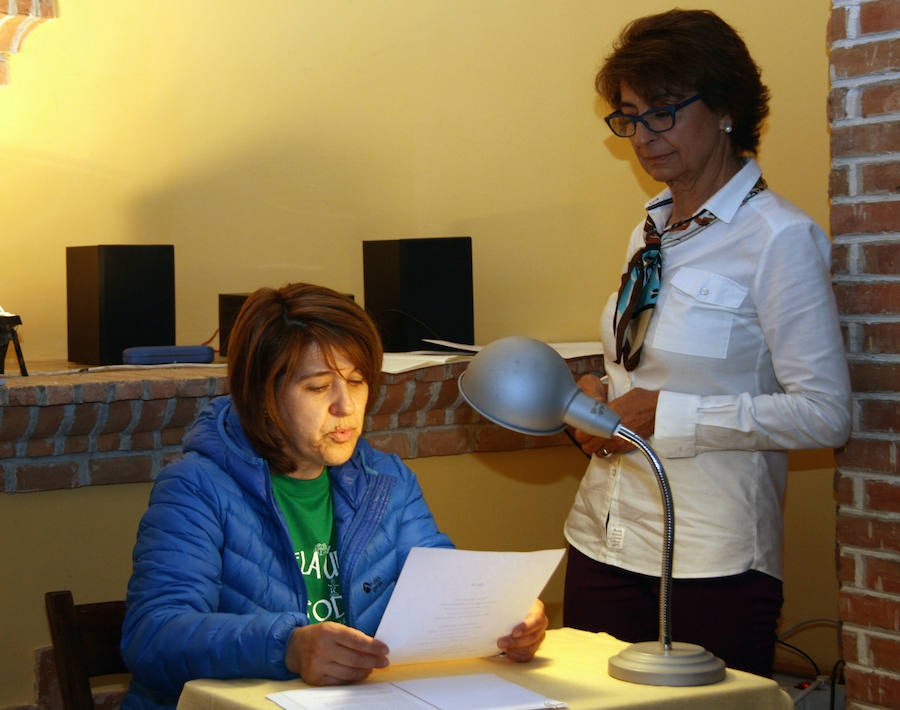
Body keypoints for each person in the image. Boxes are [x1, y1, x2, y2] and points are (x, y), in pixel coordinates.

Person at [563, 9, 851, 678]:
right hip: (604, 537)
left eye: (662, 111)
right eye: (629, 115)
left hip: (712, 561)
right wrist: (596, 398)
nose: (642, 134)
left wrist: (671, 415)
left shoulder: (779, 239)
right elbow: (640, 364)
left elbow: (825, 412)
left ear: (725, 108)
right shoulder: (650, 235)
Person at [121, 282, 548, 709]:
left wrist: (502, 620)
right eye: (319, 387)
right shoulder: (196, 487)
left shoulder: (387, 480)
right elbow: (154, 635)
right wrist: (287, 647)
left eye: (358, 381)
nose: (347, 406)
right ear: (263, 394)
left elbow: (443, 589)